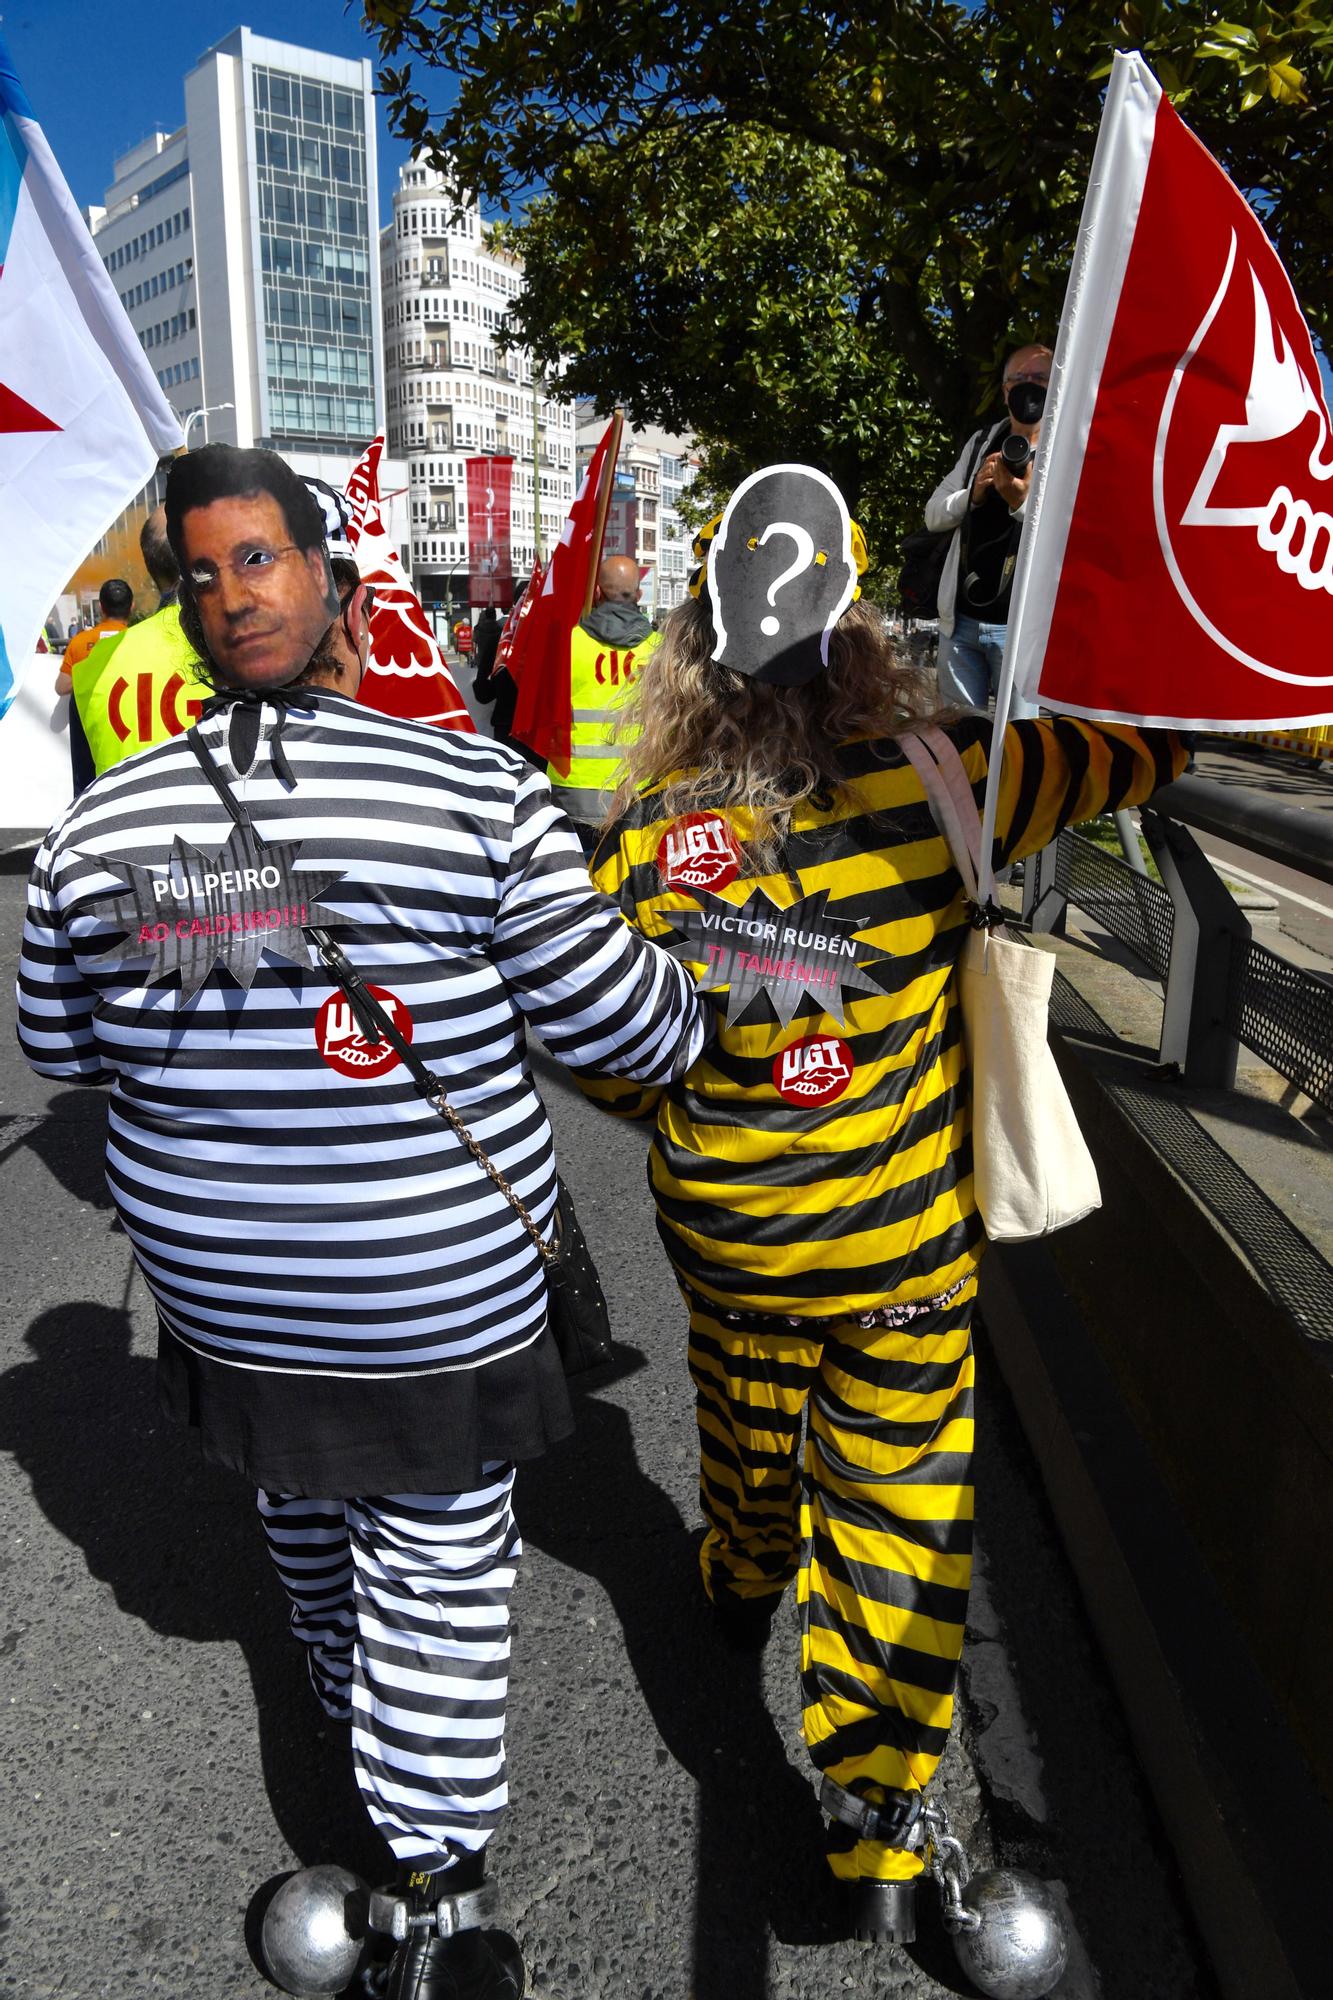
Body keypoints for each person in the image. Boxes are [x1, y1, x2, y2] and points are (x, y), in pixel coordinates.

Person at [16, 443, 709, 2000]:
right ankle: (438, 1876)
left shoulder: (102, 830)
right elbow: (637, 1032)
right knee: (443, 1570)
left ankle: (354, 1724)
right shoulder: (474, 787)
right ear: (346, 589)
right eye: (208, 568)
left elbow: (59, 1051)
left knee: (303, 1520)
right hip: (430, 1303)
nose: (228, 589)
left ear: (314, 571)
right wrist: (697, 961)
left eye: (247, 559)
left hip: (228, 1307)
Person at [579, 469, 1186, 1950]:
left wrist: (704, 1123)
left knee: (741, 1419)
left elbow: (604, 1049)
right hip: (906, 1252)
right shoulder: (956, 773)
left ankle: (737, 1570)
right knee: (903, 1519)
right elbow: (1145, 754)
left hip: (727, 1236)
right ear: (855, 625)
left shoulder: (647, 831)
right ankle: (876, 1822)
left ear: (694, 644)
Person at [925, 342, 1052, 718]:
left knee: (1018, 745)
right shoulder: (982, 443)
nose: (1029, 386)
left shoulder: (1065, 449)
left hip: (1021, 631)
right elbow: (934, 515)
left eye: (1040, 378)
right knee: (961, 743)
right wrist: (974, 494)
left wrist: (1021, 502)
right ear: (1005, 390)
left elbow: (1072, 537)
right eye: (1020, 379)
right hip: (959, 624)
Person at [73, 506, 210, 776]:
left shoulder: (91, 667)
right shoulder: (243, 651)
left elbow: (84, 789)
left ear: (150, 567)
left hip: (118, 814)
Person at [547, 554, 659, 854]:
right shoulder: (659, 650)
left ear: (596, 592)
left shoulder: (568, 642)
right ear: (638, 595)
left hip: (572, 794)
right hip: (637, 794)